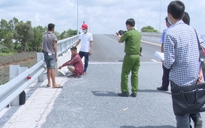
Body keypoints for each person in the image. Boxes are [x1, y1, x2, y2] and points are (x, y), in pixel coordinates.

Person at [163, 1, 203, 127]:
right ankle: (197, 120)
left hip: (179, 81)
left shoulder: (170, 33)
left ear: (169, 15)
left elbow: (169, 63)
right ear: (183, 13)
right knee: (192, 106)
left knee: (181, 115)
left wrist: (164, 61)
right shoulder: (193, 30)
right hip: (193, 77)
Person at [117, 18, 141, 97]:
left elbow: (120, 40)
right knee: (135, 74)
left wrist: (119, 35)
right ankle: (134, 91)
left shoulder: (128, 33)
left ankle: (125, 91)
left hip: (129, 56)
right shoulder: (138, 33)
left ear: (128, 25)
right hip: (137, 56)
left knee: (125, 73)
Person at [42, 23, 62, 88]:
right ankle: (54, 83)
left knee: (48, 68)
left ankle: (48, 83)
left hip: (45, 53)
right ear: (53, 29)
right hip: (51, 53)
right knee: (52, 68)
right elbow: (55, 46)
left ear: (48, 28)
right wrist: (56, 55)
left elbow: (43, 46)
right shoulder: (53, 36)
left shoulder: (44, 36)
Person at [157, 17, 172, 91]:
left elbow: (163, 44)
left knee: (166, 71)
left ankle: (165, 86)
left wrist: (162, 56)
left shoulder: (166, 31)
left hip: (167, 54)